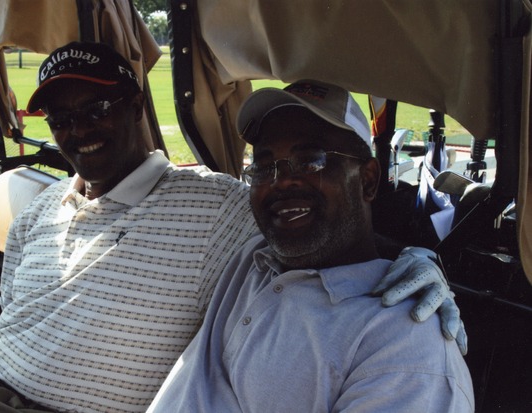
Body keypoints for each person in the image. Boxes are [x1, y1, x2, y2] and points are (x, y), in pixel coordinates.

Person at [0, 43, 463, 413]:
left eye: (96, 108)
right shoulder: (45, 205)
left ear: (133, 107)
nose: (79, 130)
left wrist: (416, 261)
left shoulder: (216, 212)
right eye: (63, 118)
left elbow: (320, 227)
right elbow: (12, 310)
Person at [148, 81, 474, 412]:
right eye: (263, 166)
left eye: (311, 160)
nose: (281, 181)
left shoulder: (403, 346)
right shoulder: (254, 255)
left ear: (368, 180)